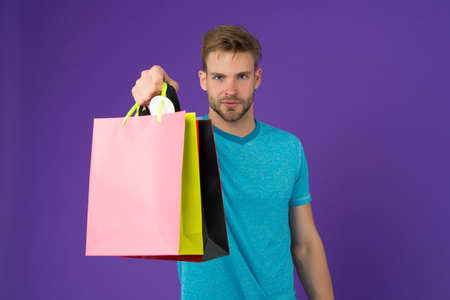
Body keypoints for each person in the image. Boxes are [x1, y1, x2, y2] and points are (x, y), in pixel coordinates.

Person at [132, 25, 334, 300]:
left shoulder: (289, 148)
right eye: (218, 77)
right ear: (203, 79)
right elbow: (148, 154)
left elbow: (306, 245)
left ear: (257, 78)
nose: (230, 89)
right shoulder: (183, 142)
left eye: (241, 76)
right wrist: (160, 92)